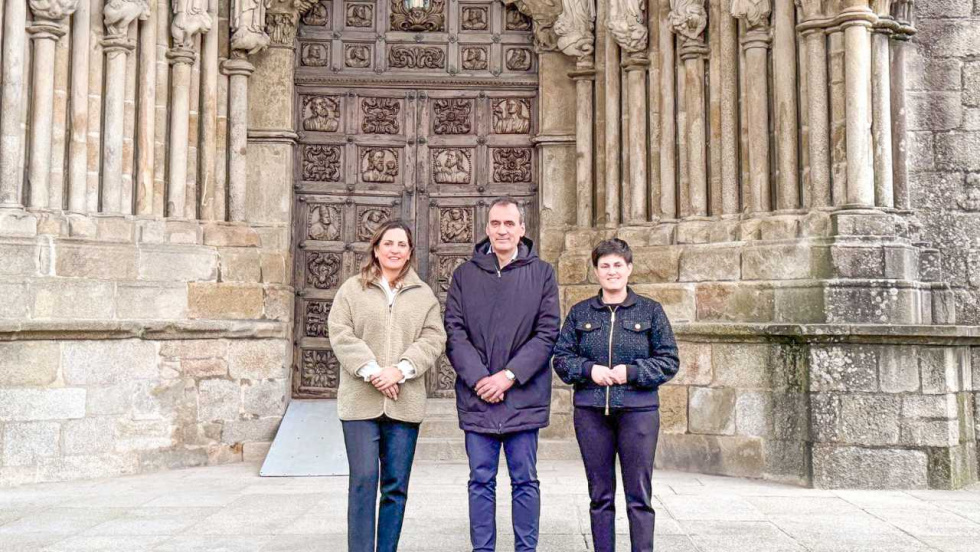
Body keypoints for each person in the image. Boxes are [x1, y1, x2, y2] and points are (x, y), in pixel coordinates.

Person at [444, 197, 560, 552]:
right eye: (496, 223)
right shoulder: (464, 275)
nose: (503, 230)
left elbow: (547, 331)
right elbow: (455, 330)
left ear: (522, 229)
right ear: (487, 229)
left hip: (523, 395)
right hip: (477, 396)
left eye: (510, 223)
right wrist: (481, 379)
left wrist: (508, 376)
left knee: (525, 480)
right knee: (480, 481)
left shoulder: (542, 273)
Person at [552, 238, 680, 552]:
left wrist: (631, 372)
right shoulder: (580, 312)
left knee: (639, 496)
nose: (612, 272)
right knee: (600, 495)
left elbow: (668, 360)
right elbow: (561, 357)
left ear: (629, 269)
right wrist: (588, 370)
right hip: (591, 412)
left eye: (618, 265)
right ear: (596, 271)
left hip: (638, 413)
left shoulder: (650, 311)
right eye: (605, 266)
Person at [328, 220, 447, 552]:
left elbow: (434, 337)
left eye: (402, 245)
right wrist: (372, 371)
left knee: (396, 486)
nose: (395, 250)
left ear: (409, 252)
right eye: (388, 244)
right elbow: (340, 331)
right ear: (376, 249)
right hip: (359, 402)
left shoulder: (423, 296)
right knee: (364, 480)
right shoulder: (352, 289)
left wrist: (400, 370)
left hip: (404, 401)